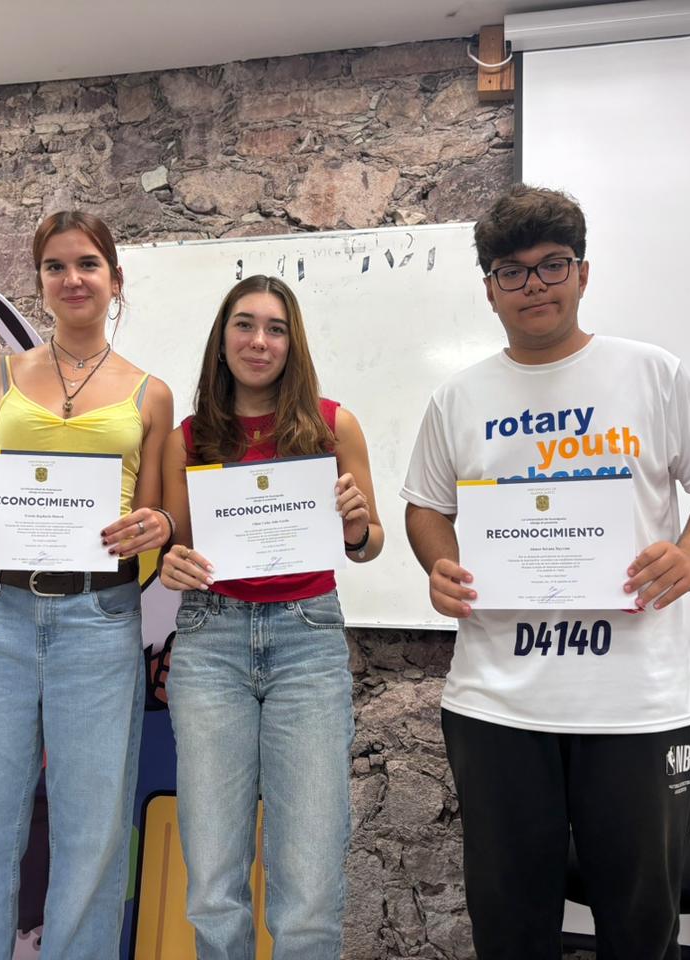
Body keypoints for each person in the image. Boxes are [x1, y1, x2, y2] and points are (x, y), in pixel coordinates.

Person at [402, 186, 690, 960]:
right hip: (498, 705)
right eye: (512, 271)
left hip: (634, 704)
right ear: (490, 289)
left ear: (583, 273)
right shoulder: (457, 397)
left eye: (552, 265)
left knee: (639, 932)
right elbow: (425, 508)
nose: (534, 285)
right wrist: (440, 563)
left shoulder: (652, 374)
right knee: (510, 930)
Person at [0, 210, 174, 958]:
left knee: (93, 829)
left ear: (115, 280)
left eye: (88, 264)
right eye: (56, 266)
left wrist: (153, 527)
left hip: (99, 614)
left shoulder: (151, 394)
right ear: (40, 281)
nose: (73, 278)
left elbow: (152, 516)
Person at [158, 275, 383, 960]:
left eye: (276, 328)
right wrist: (172, 564)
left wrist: (356, 528)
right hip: (211, 640)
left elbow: (370, 543)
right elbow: (176, 547)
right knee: (212, 884)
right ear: (222, 339)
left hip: (306, 640)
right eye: (245, 325)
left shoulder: (334, 425)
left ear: (293, 343)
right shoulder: (188, 438)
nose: (260, 341)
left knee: (310, 884)